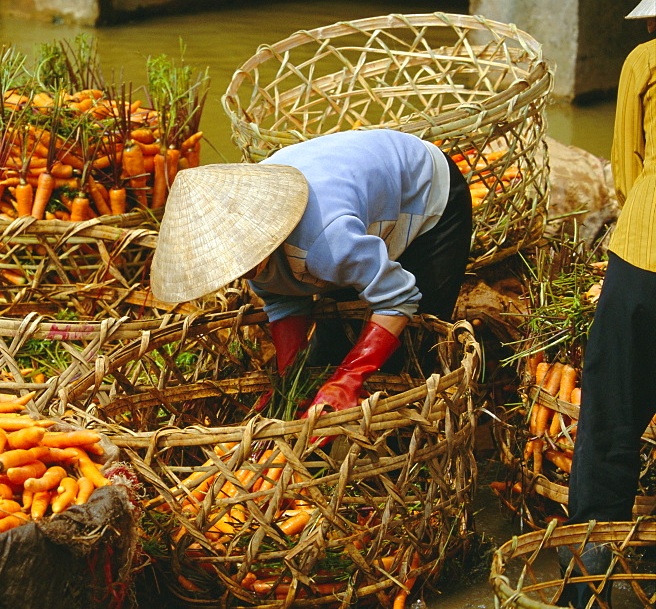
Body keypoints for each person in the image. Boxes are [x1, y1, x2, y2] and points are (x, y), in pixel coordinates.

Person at [149, 127, 472, 420]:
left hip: (425, 190)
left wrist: (349, 378)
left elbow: (398, 300)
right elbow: (283, 300)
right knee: (329, 349)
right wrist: (291, 380)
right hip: (348, 203)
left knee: (411, 346)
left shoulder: (327, 242)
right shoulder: (253, 240)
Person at [560, 0, 656, 609]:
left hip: (646, 253)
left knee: (613, 415)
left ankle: (589, 578)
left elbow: (626, 167)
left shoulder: (644, 63)